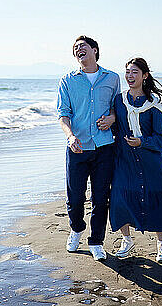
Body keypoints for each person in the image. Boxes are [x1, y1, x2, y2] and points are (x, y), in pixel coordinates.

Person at [109, 57, 162, 262]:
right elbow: (116, 127)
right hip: (125, 160)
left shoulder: (153, 103)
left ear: (145, 75)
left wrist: (142, 142)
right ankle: (126, 240)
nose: (130, 76)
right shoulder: (119, 101)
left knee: (157, 199)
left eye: (135, 72)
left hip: (151, 162)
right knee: (120, 198)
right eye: (127, 72)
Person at [56, 36, 121, 261]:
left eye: (82, 46)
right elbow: (63, 115)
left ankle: (96, 241)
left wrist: (112, 118)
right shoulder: (67, 81)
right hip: (77, 147)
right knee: (75, 197)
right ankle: (76, 228)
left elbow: (117, 109)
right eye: (75, 48)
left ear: (94, 50)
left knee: (101, 197)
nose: (78, 49)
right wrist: (70, 136)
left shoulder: (112, 78)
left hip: (104, 146)